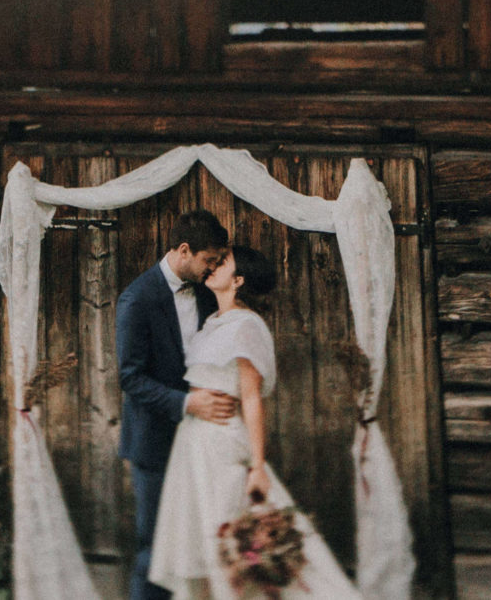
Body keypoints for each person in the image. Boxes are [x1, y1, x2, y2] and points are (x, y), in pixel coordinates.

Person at [147, 245, 362, 600]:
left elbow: (251, 398)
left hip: (222, 444)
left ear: (240, 279)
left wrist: (258, 466)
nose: (213, 267)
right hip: (194, 445)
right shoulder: (214, 322)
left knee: (230, 535)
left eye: (222, 263)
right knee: (203, 541)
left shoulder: (246, 326)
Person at [116, 209, 235, 600]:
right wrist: (187, 404)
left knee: (197, 545)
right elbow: (130, 378)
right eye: (208, 260)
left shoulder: (204, 292)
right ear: (184, 250)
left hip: (202, 441)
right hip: (155, 442)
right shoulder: (137, 298)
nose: (213, 268)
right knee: (156, 548)